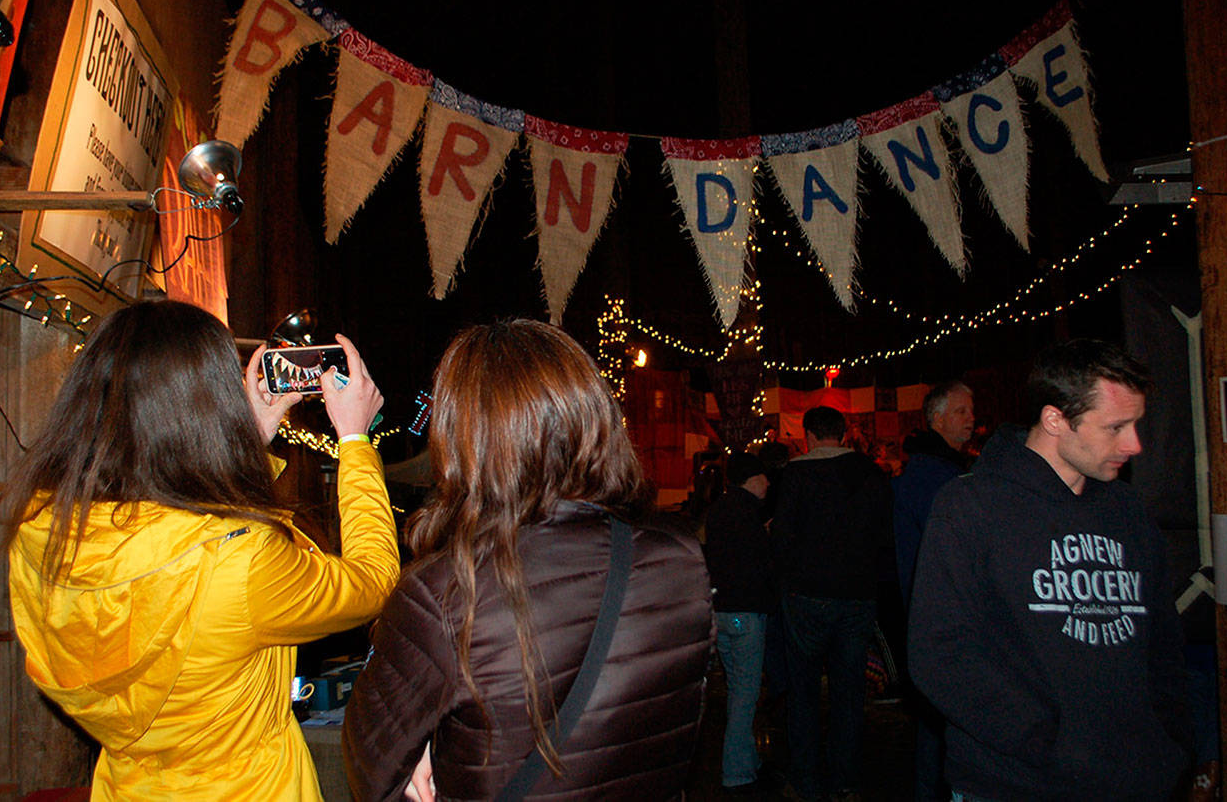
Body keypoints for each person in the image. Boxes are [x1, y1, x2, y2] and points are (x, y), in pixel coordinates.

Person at [4, 300, 400, 801]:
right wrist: (355, 440)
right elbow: (373, 580)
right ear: (208, 411)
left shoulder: (43, 532)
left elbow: (178, 508)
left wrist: (250, 441)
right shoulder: (237, 559)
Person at [341, 319, 714, 801]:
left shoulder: (445, 593)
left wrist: (432, 746)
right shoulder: (680, 559)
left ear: (464, 440)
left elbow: (369, 771)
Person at [908, 338, 1192, 800]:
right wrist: (1048, 742)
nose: (1134, 444)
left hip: (1133, 782)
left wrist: (1169, 746)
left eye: (1135, 424)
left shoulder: (1129, 512)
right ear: (1055, 419)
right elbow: (940, 654)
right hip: (1013, 782)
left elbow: (1164, 645)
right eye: (1115, 427)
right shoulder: (971, 506)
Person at [772, 405, 894, 801]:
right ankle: (845, 781)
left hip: (807, 596)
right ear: (843, 434)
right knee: (849, 692)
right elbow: (884, 537)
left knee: (803, 690)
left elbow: (782, 538)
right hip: (857, 596)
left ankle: (805, 780)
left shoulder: (796, 475)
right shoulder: (872, 473)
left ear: (808, 435)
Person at [893, 380, 973, 801]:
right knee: (941, 727)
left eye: (971, 411)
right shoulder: (934, 477)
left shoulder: (943, 471)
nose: (971, 419)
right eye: (961, 411)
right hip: (941, 618)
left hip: (935, 615)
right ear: (937, 419)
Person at [703, 451, 775, 792]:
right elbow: (759, 566)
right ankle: (737, 773)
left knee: (736, 690)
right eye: (764, 477)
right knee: (746, 696)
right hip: (746, 612)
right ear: (752, 479)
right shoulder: (749, 514)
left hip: (720, 610)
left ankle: (749, 760)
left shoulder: (719, 510)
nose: (769, 483)